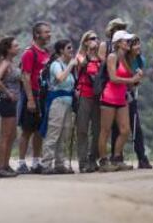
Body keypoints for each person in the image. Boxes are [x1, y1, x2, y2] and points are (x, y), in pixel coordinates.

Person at [98, 30, 143, 172]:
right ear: (118, 43)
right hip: (109, 97)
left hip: (121, 98)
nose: (128, 43)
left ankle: (116, 158)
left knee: (125, 130)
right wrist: (132, 79)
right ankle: (104, 161)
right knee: (105, 130)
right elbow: (113, 78)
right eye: (126, 41)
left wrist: (136, 79)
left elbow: (129, 81)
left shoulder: (125, 58)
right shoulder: (112, 56)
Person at [111, 35, 153, 169]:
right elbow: (127, 79)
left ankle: (141, 158)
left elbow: (135, 82)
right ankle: (117, 157)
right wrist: (134, 79)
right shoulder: (124, 60)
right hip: (119, 95)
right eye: (135, 45)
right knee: (118, 128)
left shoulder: (141, 60)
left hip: (130, 96)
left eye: (138, 44)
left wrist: (137, 80)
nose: (138, 47)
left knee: (136, 127)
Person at [17, 20, 51, 174]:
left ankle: (36, 162)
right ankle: (21, 163)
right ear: (37, 34)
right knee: (27, 130)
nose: (49, 34)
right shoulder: (29, 53)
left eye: (49, 32)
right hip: (32, 95)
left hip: (43, 96)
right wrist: (30, 99)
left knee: (39, 130)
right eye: (46, 32)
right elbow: (25, 76)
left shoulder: (46, 53)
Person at [40, 39, 77, 174]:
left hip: (67, 103)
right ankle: (46, 164)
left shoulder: (67, 65)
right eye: (68, 48)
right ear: (61, 50)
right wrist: (71, 66)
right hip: (57, 102)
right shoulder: (56, 65)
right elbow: (60, 78)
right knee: (54, 132)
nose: (71, 50)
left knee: (64, 133)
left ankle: (60, 163)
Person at [0, 36, 21, 178]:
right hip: (6, 102)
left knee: (12, 135)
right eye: (15, 46)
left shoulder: (11, 63)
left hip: (12, 102)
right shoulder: (5, 63)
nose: (18, 47)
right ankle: (0, 168)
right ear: (9, 49)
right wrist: (8, 92)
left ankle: (6, 165)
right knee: (6, 135)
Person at [75, 30, 102, 173]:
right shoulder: (80, 56)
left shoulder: (100, 57)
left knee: (97, 130)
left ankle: (93, 158)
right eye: (92, 38)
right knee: (82, 129)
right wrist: (89, 52)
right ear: (85, 41)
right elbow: (82, 64)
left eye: (97, 38)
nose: (95, 41)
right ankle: (83, 161)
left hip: (98, 96)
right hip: (84, 95)